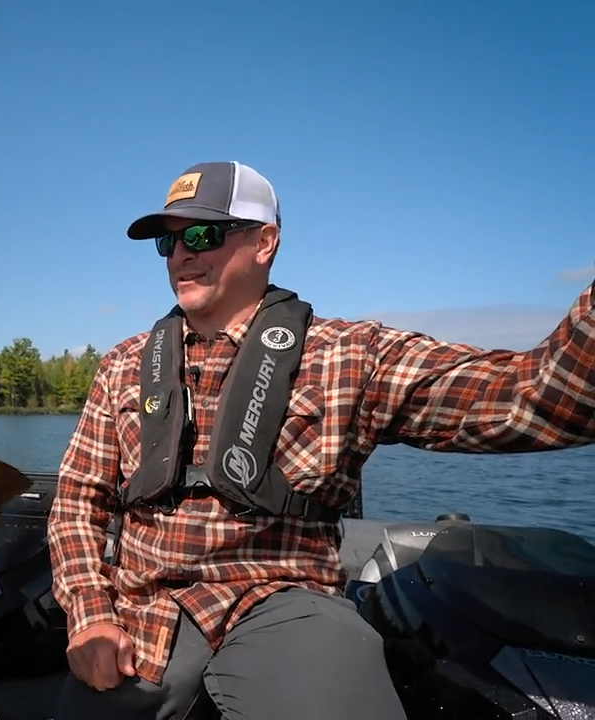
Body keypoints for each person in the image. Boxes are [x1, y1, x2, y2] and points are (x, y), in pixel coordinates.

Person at [45, 160, 595, 720]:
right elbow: (76, 504)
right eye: (168, 241)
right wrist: (90, 611)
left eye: (203, 234)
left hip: (284, 599)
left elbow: (536, 398)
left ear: (265, 242)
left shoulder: (349, 355)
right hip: (145, 607)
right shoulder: (121, 366)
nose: (182, 253)